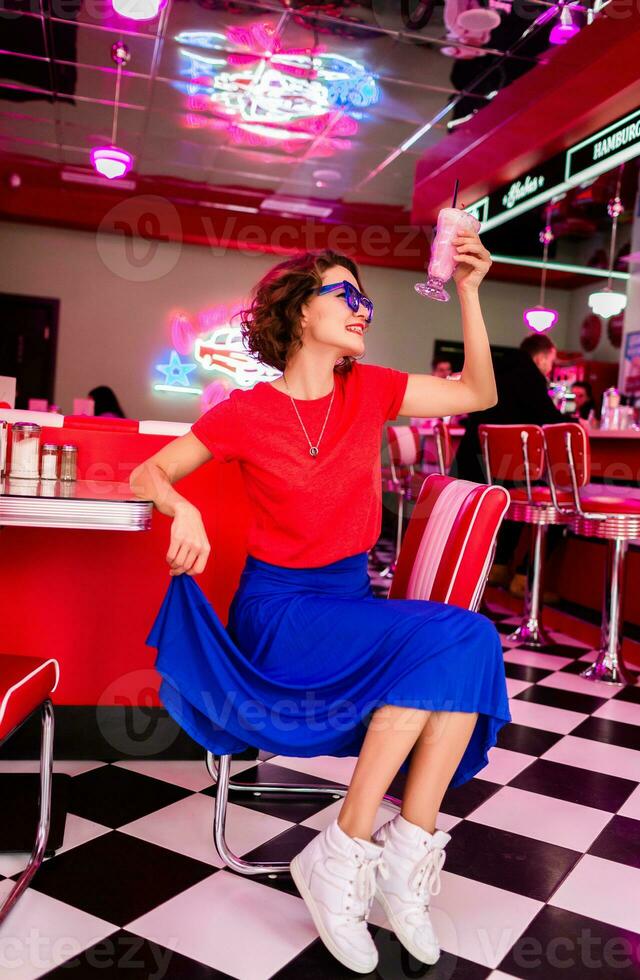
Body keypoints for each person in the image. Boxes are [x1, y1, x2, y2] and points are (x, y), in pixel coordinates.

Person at [130, 228, 510, 974]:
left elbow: (479, 393)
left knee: (464, 642)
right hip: (278, 616)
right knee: (451, 643)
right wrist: (189, 510)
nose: (363, 308)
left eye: (365, 298)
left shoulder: (371, 391)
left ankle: (387, 853)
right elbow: (149, 474)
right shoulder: (244, 412)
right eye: (346, 294)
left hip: (348, 604)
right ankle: (348, 852)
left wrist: (467, 290)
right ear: (301, 312)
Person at [451, 333, 564, 596]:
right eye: (550, 362)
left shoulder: (496, 368)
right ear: (541, 357)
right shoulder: (529, 376)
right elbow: (552, 418)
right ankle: (525, 578)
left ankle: (500, 566)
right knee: (556, 502)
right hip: (504, 474)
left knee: (520, 496)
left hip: (472, 468)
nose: (550, 368)